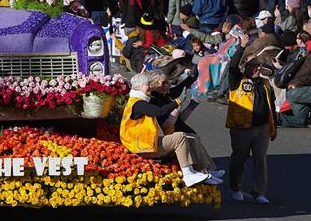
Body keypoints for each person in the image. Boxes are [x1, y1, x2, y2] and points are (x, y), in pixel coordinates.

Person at [120, 73, 221, 187]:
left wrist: (192, 76)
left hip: (148, 142)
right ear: (138, 87)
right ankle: (188, 174)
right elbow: (160, 112)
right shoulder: (138, 103)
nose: (150, 87)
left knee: (192, 138)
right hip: (141, 146)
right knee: (180, 137)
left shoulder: (141, 100)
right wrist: (178, 101)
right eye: (147, 84)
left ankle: (204, 171)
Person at [225, 36, 278, 204]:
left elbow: (272, 105)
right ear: (246, 68)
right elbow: (232, 66)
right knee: (239, 159)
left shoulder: (264, 83)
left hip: (261, 128)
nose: (257, 69)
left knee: (260, 160)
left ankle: (259, 192)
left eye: (259, 66)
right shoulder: (237, 81)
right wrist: (241, 47)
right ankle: (235, 188)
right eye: (253, 66)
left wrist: (273, 126)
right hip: (242, 128)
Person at [277, 51, 311, 128]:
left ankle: (276, 118)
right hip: (299, 91)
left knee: (301, 122)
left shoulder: (303, 59)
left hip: (292, 92)